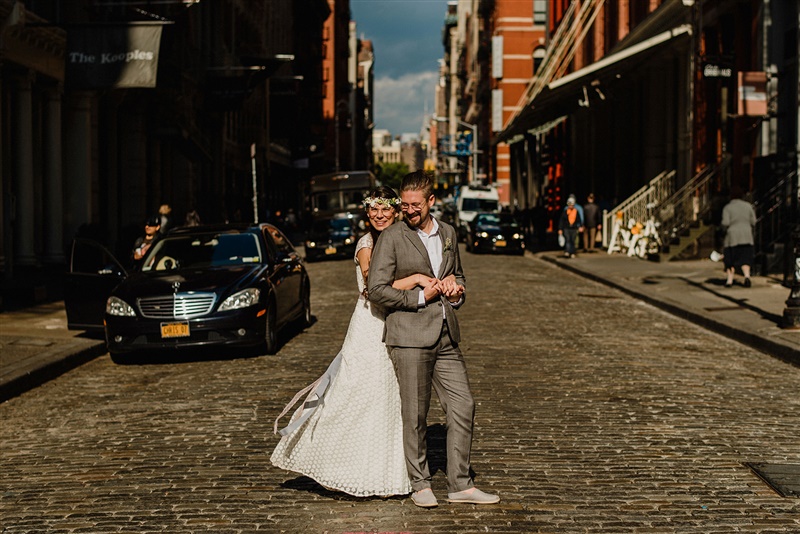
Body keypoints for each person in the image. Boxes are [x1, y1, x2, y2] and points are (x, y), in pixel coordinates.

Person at [271, 186, 440, 498]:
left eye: (385, 209)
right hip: (370, 325)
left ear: (396, 210)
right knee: (359, 392)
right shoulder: (367, 243)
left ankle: (387, 472)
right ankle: (337, 463)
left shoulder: (404, 236)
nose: (378, 215)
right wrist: (416, 278)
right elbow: (371, 288)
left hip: (397, 324)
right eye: (373, 210)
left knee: (389, 397)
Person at [368, 170, 499, 508]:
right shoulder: (393, 237)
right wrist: (419, 297)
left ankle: (460, 484)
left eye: (416, 205)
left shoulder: (449, 233)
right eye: (405, 205)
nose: (409, 211)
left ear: (431, 202)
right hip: (409, 336)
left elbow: (459, 275)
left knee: (463, 405)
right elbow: (377, 290)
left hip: (446, 334)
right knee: (416, 415)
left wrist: (456, 291)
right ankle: (420, 482)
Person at [721, 185, 756, 288]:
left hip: (733, 237)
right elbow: (753, 221)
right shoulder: (748, 206)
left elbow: (725, 222)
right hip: (746, 236)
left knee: (730, 259)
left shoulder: (728, 208)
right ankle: (747, 276)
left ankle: (729, 280)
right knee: (745, 258)